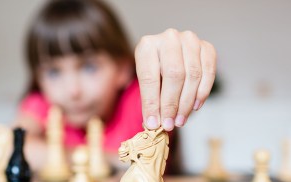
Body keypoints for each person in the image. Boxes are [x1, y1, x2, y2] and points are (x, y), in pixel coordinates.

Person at [14, 0, 216, 172]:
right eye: (53, 72)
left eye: (89, 67)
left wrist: (177, 56)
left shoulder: (143, 99)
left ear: (122, 68)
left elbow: (177, 91)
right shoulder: (42, 105)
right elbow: (13, 149)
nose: (72, 91)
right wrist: (102, 160)